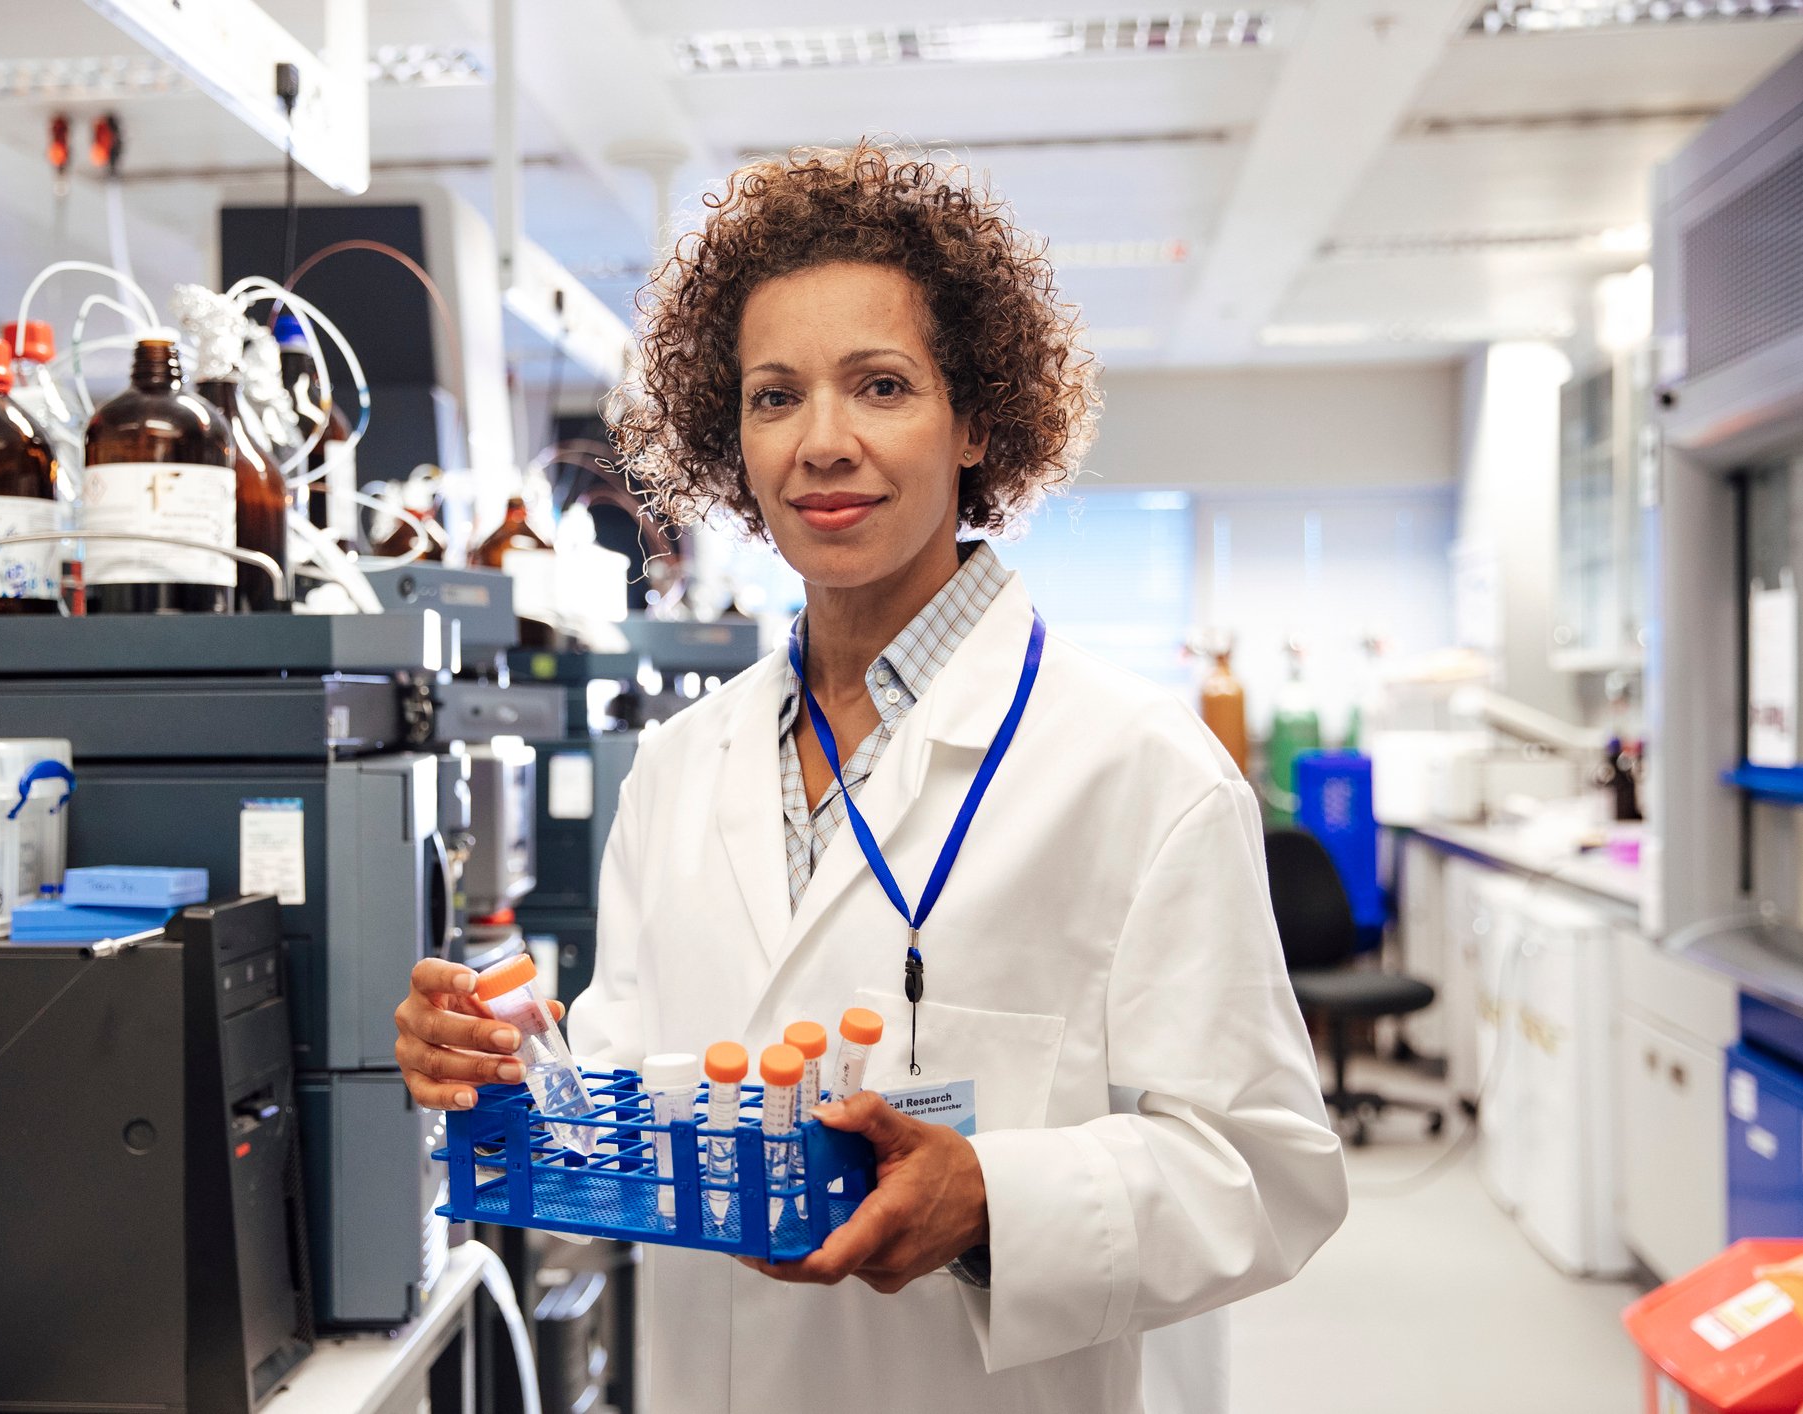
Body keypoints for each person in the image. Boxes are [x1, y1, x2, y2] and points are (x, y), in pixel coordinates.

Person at [395, 141, 1347, 1413]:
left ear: (978, 423)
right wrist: (514, 1061)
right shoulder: (679, 769)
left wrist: (991, 1199)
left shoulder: (1140, 769)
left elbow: (1266, 1170)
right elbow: (640, 1084)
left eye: (882, 385)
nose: (822, 442)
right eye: (775, 395)